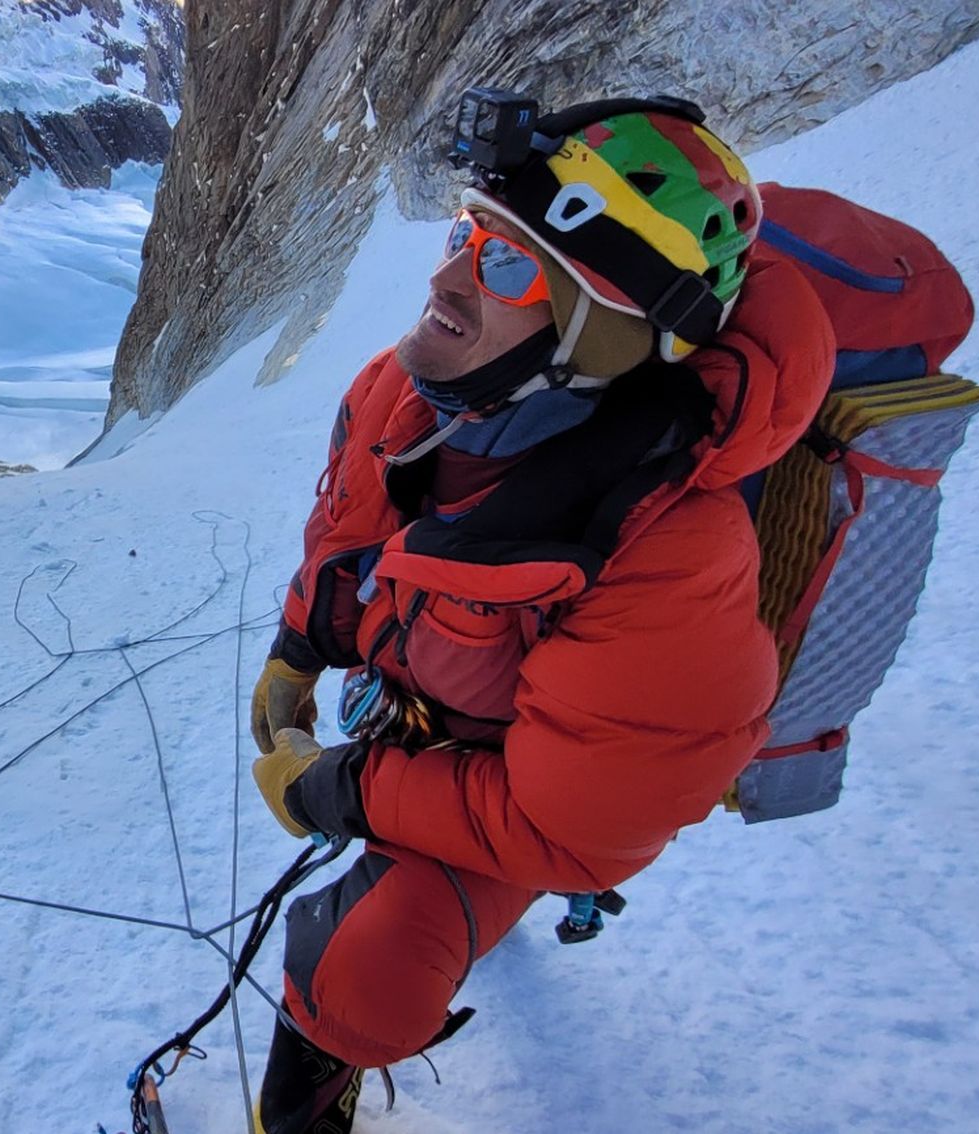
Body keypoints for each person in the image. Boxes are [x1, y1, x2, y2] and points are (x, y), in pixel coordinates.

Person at [246, 95, 835, 1134]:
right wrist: (299, 649)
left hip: (512, 783)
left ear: (616, 338)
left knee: (365, 967)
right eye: (470, 235)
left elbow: (570, 828)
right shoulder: (411, 388)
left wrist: (339, 787)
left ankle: (306, 1097)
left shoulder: (669, 562)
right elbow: (345, 532)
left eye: (510, 267)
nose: (442, 283)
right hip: (419, 710)